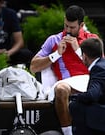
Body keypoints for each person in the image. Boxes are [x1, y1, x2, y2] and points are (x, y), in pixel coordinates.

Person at [30, 5, 99, 135]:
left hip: (90, 80)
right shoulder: (53, 40)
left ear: (81, 25)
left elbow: (101, 66)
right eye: (66, 25)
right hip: (67, 83)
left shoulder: (92, 39)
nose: (68, 30)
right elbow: (33, 67)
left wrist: (78, 50)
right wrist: (55, 54)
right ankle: (68, 133)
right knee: (61, 89)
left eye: (72, 27)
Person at [0, 0, 33, 66]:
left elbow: (20, 42)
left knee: (26, 54)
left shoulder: (10, 14)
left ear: (1, 2)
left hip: (6, 52)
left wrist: (8, 53)